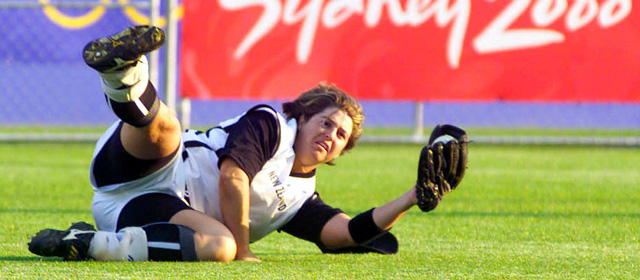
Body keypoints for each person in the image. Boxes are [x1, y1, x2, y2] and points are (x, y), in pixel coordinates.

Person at [28, 26, 468, 262]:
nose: (330, 135)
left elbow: (345, 235)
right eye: (327, 121)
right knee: (168, 132)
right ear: (304, 113)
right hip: (146, 167)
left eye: (340, 137)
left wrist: (413, 197)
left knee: (218, 247)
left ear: (338, 155)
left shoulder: (299, 197)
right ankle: (124, 75)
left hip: (141, 215)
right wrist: (246, 248)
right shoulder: (273, 124)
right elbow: (233, 174)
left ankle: (87, 244)